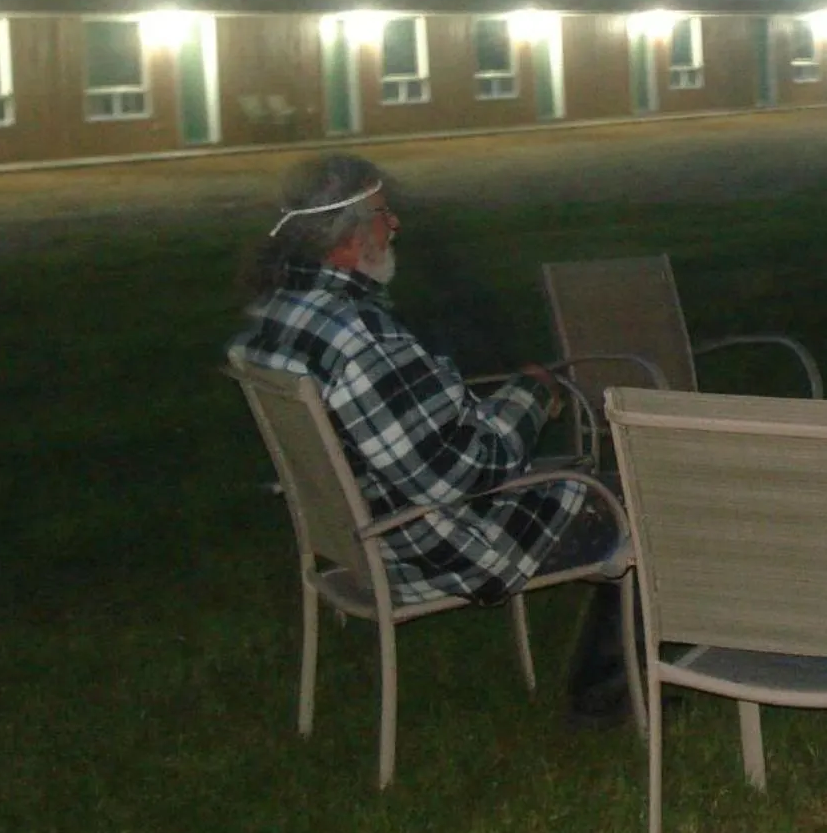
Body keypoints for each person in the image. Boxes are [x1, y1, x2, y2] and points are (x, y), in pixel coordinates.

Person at [232, 152, 633, 722]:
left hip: (361, 529)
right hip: (439, 547)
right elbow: (471, 468)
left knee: (595, 479)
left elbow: (415, 427)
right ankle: (609, 696)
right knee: (638, 500)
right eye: (381, 213)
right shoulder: (360, 338)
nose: (393, 224)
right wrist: (534, 395)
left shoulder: (276, 316)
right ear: (347, 236)